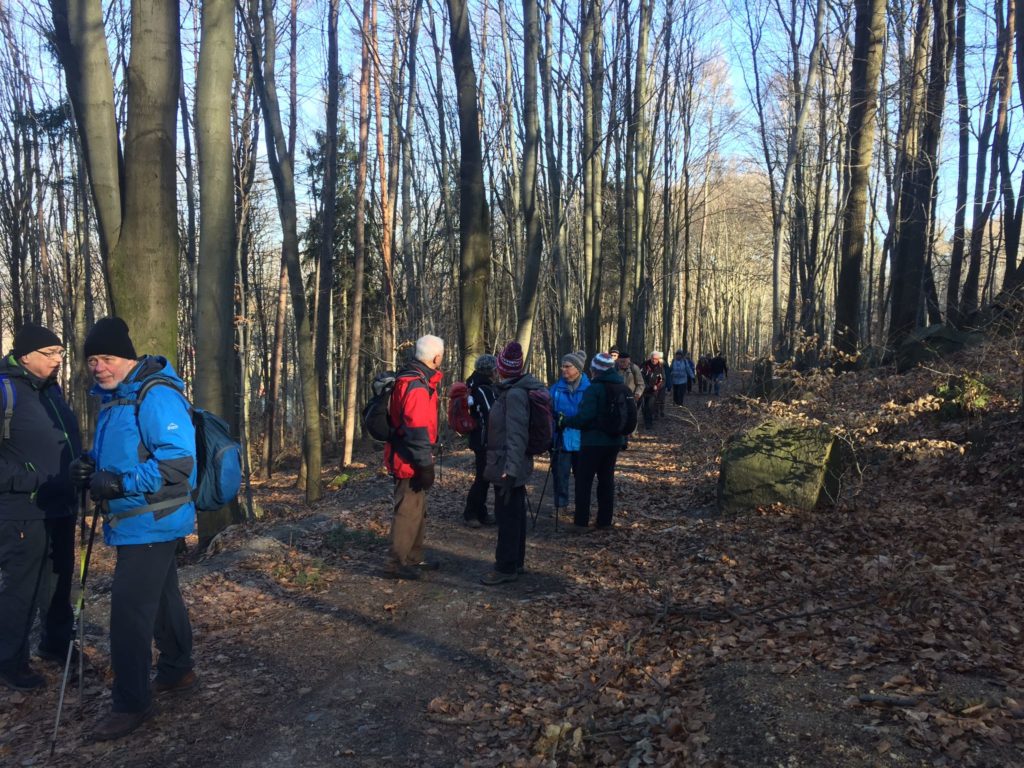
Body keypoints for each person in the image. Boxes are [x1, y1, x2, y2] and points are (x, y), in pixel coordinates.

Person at [70, 317, 197, 740]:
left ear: (126, 357)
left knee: (128, 615)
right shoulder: (116, 399)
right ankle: (178, 670)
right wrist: (89, 462)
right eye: (92, 360)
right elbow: (127, 449)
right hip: (138, 519)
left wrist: (121, 482)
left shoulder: (155, 394)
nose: (98, 367)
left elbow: (177, 463)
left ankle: (131, 703)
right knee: (161, 598)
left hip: (152, 518)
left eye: (105, 358)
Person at [0, 324, 82, 691]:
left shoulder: (51, 392)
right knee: (22, 589)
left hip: (60, 506)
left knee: (59, 582)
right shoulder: (5, 391)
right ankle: (9, 661)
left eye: (61, 353)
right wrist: (28, 479)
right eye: (50, 354)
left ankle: (57, 645)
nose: (58, 360)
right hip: (22, 512)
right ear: (26, 355)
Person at [480, 341, 546, 585]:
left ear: (504, 369)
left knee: (507, 517)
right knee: (514, 514)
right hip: (506, 462)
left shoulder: (515, 395)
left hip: (507, 465)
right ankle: (515, 563)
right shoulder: (511, 391)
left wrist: (511, 470)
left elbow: (517, 435)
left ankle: (505, 567)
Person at [383, 334, 444, 578]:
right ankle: (396, 562)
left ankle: (413, 557)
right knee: (407, 510)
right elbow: (417, 429)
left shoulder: (412, 379)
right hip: (408, 459)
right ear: (436, 357)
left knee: (417, 508)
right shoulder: (417, 386)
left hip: (409, 455)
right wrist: (425, 465)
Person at [562, 353, 624, 531]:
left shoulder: (594, 389)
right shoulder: (621, 386)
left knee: (584, 481)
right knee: (606, 480)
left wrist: (565, 421)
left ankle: (581, 522)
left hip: (592, 442)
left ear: (596, 370)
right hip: (614, 441)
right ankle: (604, 521)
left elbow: (584, 418)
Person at [548, 351, 589, 521]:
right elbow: (548, 413)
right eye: (562, 366)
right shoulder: (555, 389)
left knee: (583, 476)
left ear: (578, 369)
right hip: (560, 439)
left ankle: (582, 507)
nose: (563, 369)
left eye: (567, 366)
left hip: (583, 439)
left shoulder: (589, 388)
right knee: (560, 474)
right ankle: (561, 505)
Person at [463, 354, 497, 528]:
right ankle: (471, 513)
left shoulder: (475, 384)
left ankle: (481, 512)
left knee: (484, 476)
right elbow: (491, 413)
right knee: (483, 477)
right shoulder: (483, 388)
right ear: (490, 370)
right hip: (483, 439)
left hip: (482, 438)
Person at [614, 351, 644, 449]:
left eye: (624, 362)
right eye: (621, 362)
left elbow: (641, 384)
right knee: (618, 418)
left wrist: (637, 394)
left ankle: (625, 441)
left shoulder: (634, 368)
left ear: (629, 361)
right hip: (616, 398)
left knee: (627, 419)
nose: (622, 364)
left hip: (630, 398)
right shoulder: (614, 368)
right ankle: (620, 441)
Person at [640, 351, 668, 427]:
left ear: (658, 359)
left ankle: (649, 423)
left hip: (653, 391)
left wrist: (657, 386)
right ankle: (646, 420)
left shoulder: (660, 367)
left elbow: (662, 379)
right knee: (644, 407)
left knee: (650, 406)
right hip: (644, 390)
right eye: (653, 358)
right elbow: (641, 377)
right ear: (650, 358)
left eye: (656, 359)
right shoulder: (645, 365)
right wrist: (646, 386)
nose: (654, 360)